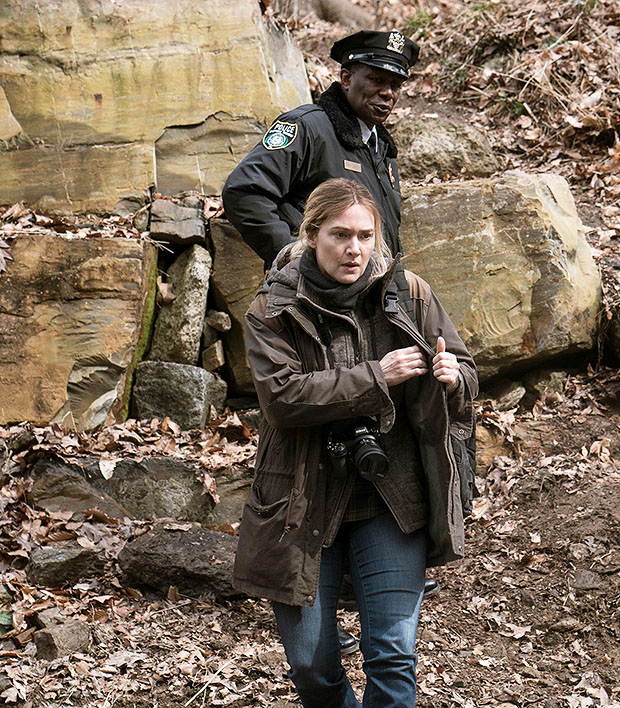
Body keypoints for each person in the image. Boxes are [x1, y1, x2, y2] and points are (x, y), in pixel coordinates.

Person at [233, 179, 477, 707]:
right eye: (340, 235)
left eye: (365, 236)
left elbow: (467, 371)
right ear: (311, 235)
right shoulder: (271, 307)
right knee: (310, 663)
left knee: (392, 653)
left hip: (392, 496)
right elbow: (281, 398)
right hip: (302, 499)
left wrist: (453, 376)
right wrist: (376, 376)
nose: (354, 249)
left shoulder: (410, 294)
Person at [222, 30, 420, 269]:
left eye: (396, 85)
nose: (388, 93)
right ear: (346, 79)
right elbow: (244, 191)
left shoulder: (383, 150)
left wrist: (397, 286)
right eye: (377, 80)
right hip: (310, 289)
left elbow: (386, 240)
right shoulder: (307, 128)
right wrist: (296, 258)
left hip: (374, 287)